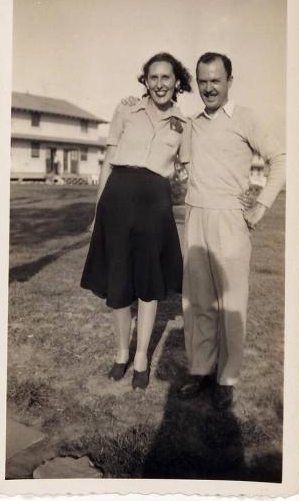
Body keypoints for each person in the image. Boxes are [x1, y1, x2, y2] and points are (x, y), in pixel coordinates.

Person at [177, 52, 286, 409]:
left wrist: (261, 205)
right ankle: (201, 371)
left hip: (230, 221)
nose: (209, 88)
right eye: (203, 81)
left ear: (229, 81)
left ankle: (227, 380)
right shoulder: (191, 125)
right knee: (197, 302)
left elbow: (281, 159)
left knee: (232, 304)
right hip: (196, 217)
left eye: (216, 80)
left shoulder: (246, 118)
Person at [81, 52, 192, 390]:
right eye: (153, 77)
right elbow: (107, 164)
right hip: (118, 199)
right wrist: (98, 210)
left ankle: (141, 355)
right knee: (118, 280)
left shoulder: (183, 124)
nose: (159, 84)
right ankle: (120, 352)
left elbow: (188, 167)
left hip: (155, 204)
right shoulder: (126, 109)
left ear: (177, 82)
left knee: (147, 281)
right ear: (146, 80)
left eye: (166, 77)